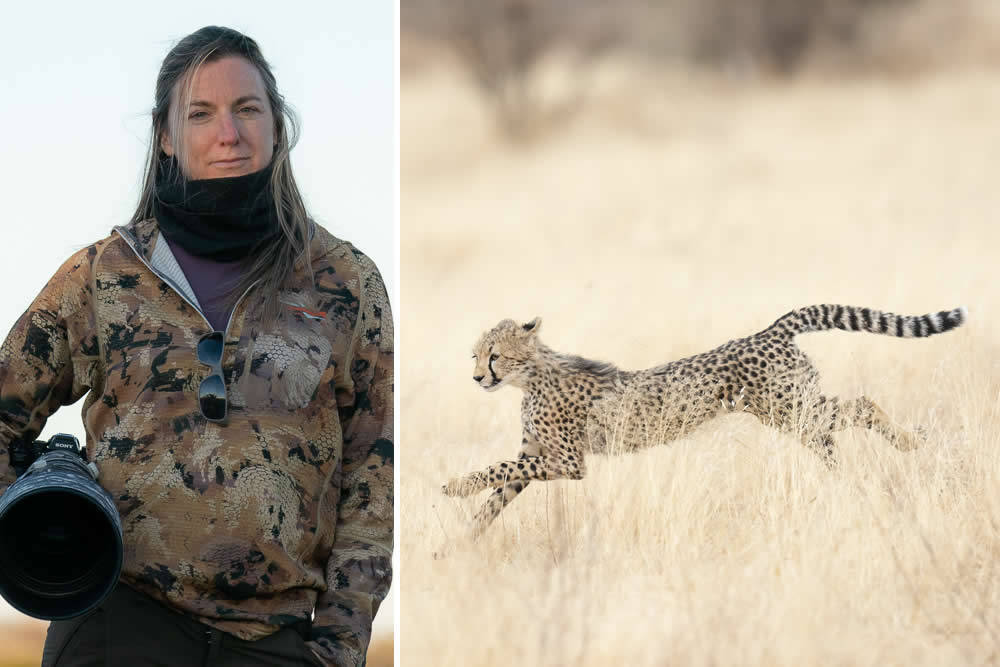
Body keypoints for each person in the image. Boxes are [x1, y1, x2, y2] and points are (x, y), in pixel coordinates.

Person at [0, 26, 392, 667]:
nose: (228, 134)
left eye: (247, 109)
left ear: (276, 125)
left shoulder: (346, 283)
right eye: (200, 114)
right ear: (165, 137)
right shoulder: (105, 274)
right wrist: (41, 541)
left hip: (277, 644)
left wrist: (339, 647)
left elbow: (375, 476)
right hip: (118, 630)